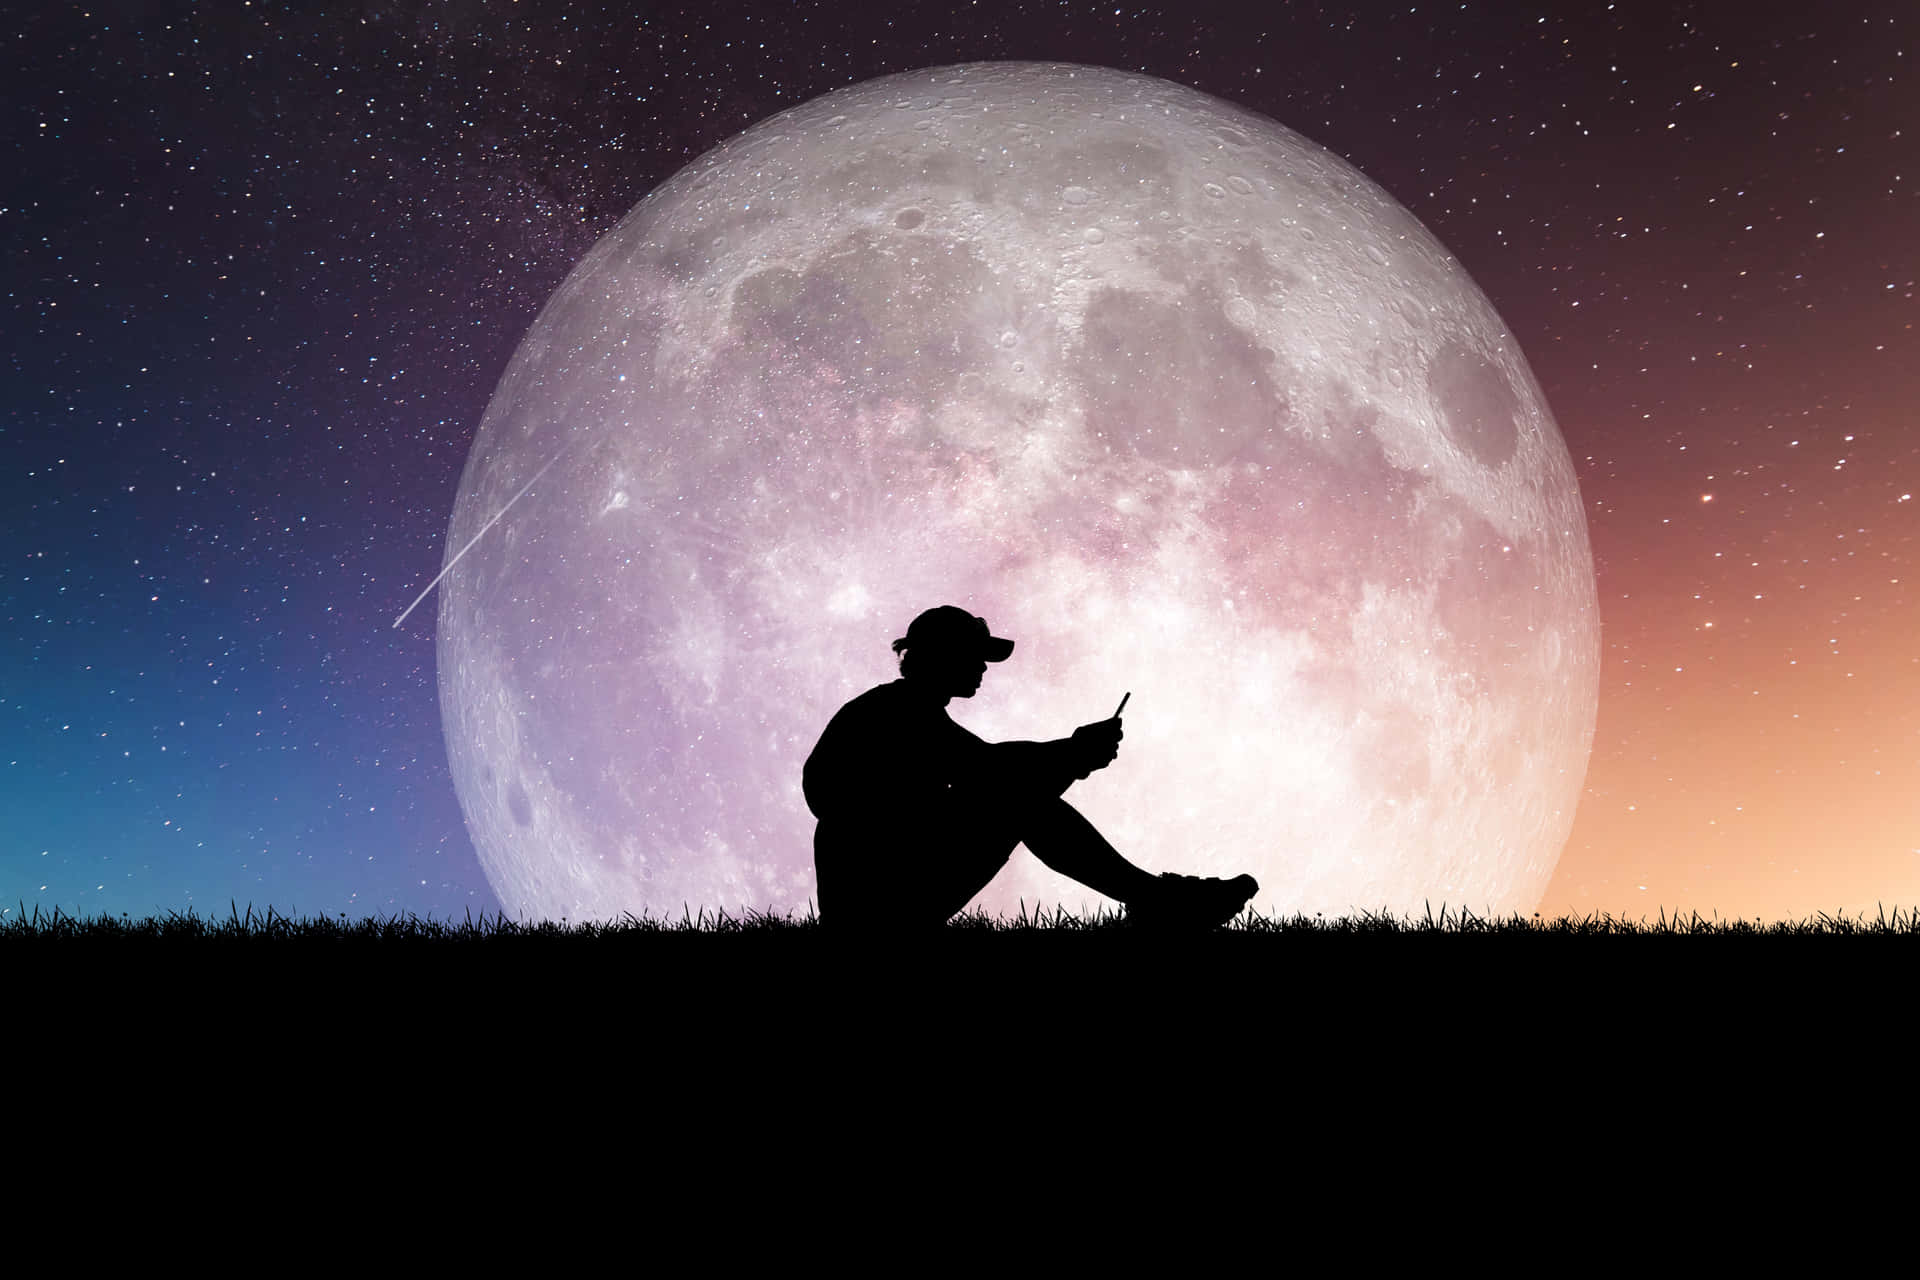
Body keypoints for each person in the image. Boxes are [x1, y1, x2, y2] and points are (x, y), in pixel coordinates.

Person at [803, 605, 1258, 930]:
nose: (983, 667)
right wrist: (1074, 754)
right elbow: (990, 771)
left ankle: (1156, 901)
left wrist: (1073, 757)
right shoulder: (896, 710)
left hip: (883, 895)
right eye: (974, 655)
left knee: (1023, 799)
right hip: (878, 904)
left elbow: (992, 774)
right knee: (1023, 800)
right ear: (942, 655)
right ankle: (1159, 902)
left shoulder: (903, 712)